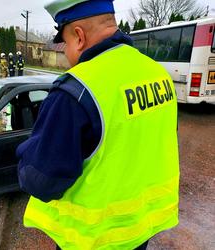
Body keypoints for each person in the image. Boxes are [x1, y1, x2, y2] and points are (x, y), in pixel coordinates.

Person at [16, 0, 180, 249]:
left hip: (93, 240)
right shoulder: (157, 73)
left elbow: (41, 182)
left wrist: (27, 150)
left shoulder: (75, 90)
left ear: (79, 37)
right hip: (139, 232)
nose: (66, 53)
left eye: (65, 44)